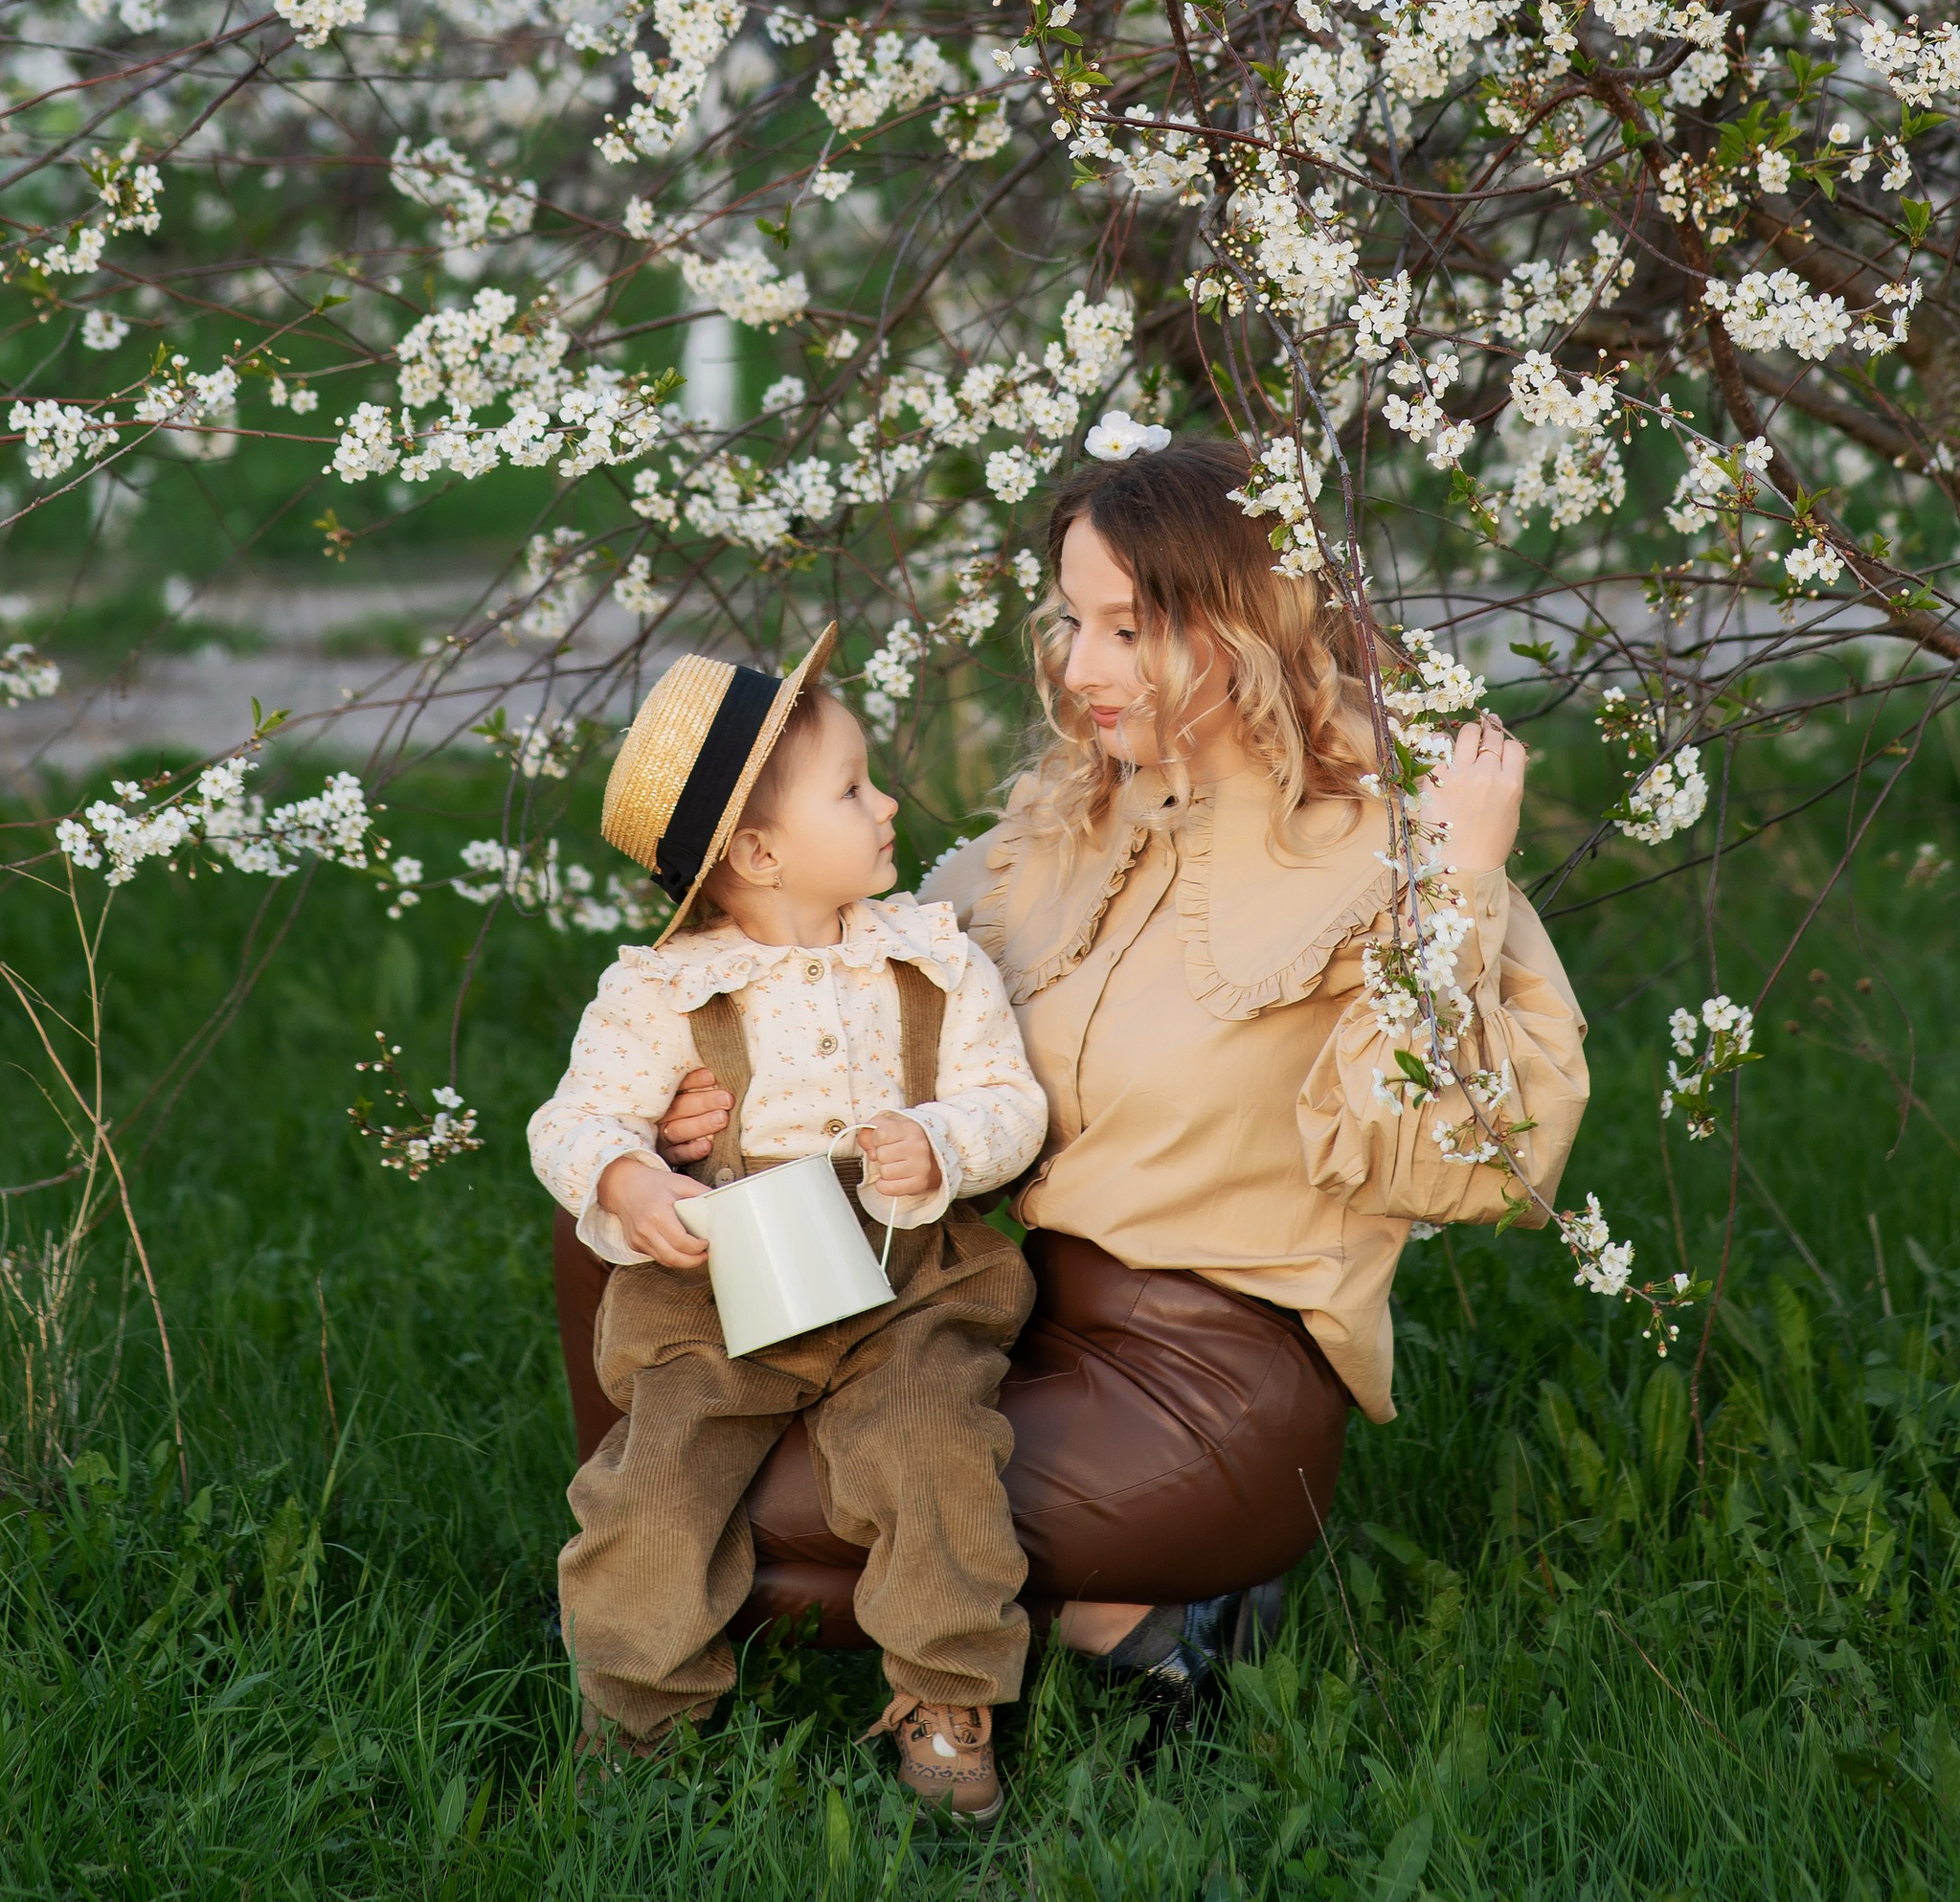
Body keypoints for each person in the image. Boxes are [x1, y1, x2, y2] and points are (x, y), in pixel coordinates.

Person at [624, 440, 1589, 1725]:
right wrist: (687, 1103)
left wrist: (1462, 885)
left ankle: (1121, 1618)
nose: (1080, 668)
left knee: (712, 1504)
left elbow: (1471, 1167)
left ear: (1246, 624)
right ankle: (1112, 1624)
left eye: (1127, 629)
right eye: (1073, 619)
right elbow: (868, 989)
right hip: (1001, 1324)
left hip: (1214, 1388)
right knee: (642, 1225)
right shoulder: (1072, 822)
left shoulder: (1402, 849)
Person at [528, 630, 1047, 1821]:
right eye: (854, 786)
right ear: (757, 850)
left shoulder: (929, 959)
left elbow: (1009, 1097)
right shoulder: (662, 991)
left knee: (935, 1450)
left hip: (904, 1275)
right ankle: (636, 1711)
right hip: (720, 1296)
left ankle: (945, 1691)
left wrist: (947, 1140)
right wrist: (632, 1180)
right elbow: (571, 1118)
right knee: (650, 1487)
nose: (887, 801)